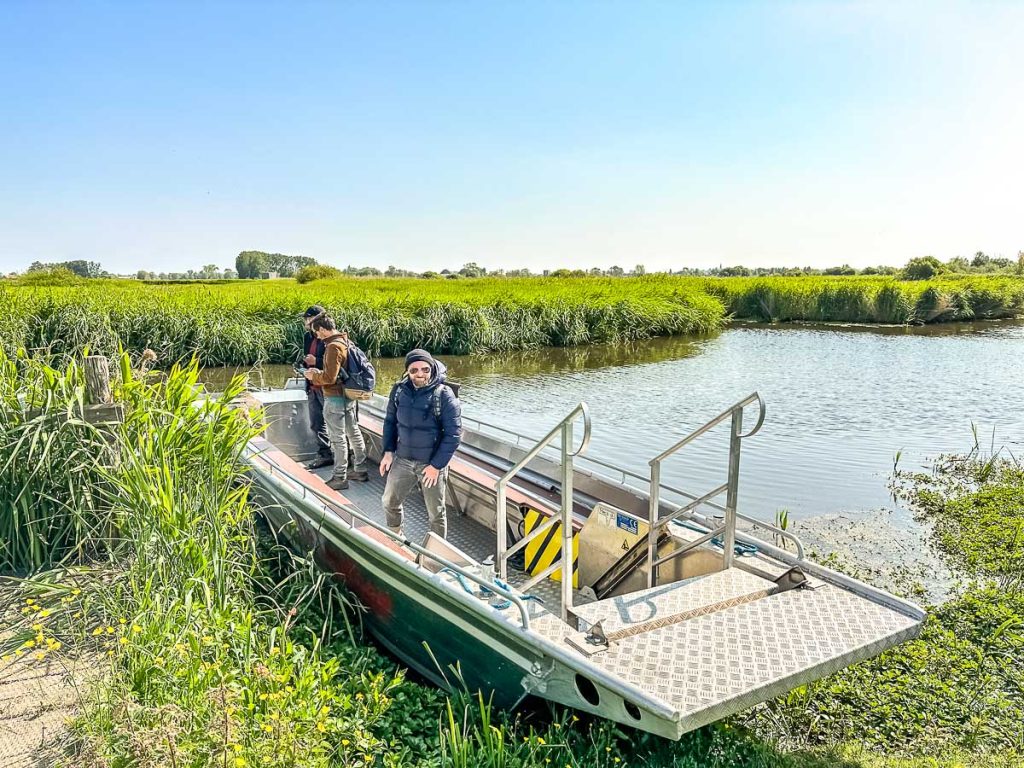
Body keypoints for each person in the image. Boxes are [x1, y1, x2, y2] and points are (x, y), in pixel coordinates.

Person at [380, 349, 462, 538]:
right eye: (414, 370)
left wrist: (436, 466)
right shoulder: (399, 390)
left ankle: (436, 554)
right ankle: (396, 537)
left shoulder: (444, 394)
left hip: (431, 464)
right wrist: (388, 451)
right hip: (403, 460)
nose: (420, 374)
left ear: (432, 369)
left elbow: (454, 434)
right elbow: (390, 422)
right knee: (389, 502)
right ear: (407, 371)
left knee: (436, 514)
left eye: (425, 369)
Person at [302, 315, 369, 490]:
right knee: (353, 432)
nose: (317, 336)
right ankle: (360, 470)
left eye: (317, 332)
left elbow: (329, 378)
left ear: (323, 329)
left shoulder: (332, 347)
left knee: (337, 439)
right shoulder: (345, 341)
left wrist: (313, 375)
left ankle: (340, 477)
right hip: (348, 396)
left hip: (334, 398)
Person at [298, 305, 333, 470]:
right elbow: (308, 358)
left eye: (308, 318)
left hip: (328, 387)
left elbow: (334, 363)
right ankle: (325, 454)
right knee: (316, 423)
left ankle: (345, 458)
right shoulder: (308, 336)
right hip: (313, 385)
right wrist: (302, 364)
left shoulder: (329, 336)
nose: (306, 322)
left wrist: (316, 361)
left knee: (335, 423)